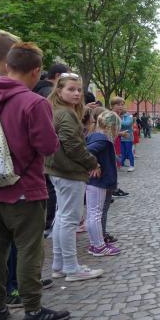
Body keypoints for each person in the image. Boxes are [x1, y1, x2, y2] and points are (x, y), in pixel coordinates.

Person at [0, 40, 70, 320]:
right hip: (24, 188)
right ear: (36, 71)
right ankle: (33, 309)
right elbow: (47, 146)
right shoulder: (33, 103)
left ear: (8, 65)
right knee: (28, 250)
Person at [45, 73, 104, 282]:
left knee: (62, 218)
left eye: (79, 89)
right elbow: (74, 147)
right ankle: (71, 268)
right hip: (69, 171)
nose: (77, 93)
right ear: (59, 91)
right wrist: (92, 163)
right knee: (69, 220)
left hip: (59, 170)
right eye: (71, 89)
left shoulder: (57, 111)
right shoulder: (65, 114)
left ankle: (60, 265)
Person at [85, 109, 122, 256]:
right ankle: (99, 246)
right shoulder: (102, 139)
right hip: (99, 181)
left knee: (92, 214)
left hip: (95, 181)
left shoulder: (94, 136)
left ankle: (95, 243)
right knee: (95, 214)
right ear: (110, 126)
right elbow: (86, 152)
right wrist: (94, 164)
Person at [112, 97, 135, 172]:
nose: (121, 107)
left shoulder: (129, 116)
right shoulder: (117, 115)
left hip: (128, 137)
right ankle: (120, 163)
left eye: (122, 105)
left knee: (129, 152)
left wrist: (118, 120)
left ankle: (132, 165)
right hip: (120, 137)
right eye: (119, 105)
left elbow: (127, 124)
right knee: (122, 152)